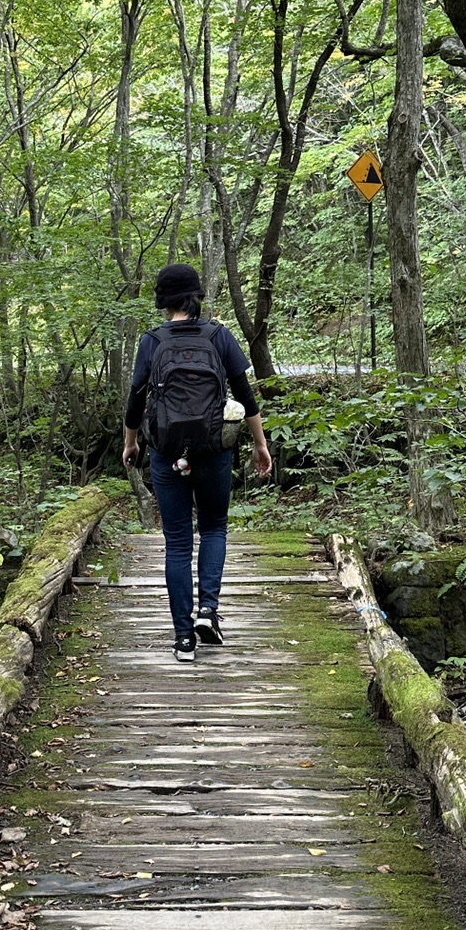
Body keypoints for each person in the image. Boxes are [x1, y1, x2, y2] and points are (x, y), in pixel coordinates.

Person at [122, 262, 272, 663]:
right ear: (196, 296)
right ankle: (208, 610)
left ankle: (183, 640)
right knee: (214, 529)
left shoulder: (151, 341)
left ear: (163, 300)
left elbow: (136, 398)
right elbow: (245, 394)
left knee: (176, 541)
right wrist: (260, 445)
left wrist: (131, 443)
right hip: (213, 449)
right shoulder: (219, 335)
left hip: (167, 451)